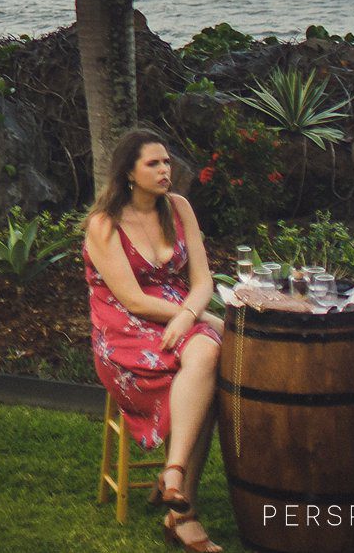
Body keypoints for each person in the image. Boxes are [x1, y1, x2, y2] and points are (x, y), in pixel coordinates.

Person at [82, 129, 223, 551]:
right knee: (208, 380)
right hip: (124, 328)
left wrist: (191, 314)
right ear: (128, 172)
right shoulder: (104, 224)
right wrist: (190, 316)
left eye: (167, 162)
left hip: (179, 315)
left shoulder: (178, 207)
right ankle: (183, 513)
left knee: (207, 352)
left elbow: (202, 281)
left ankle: (174, 474)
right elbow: (132, 300)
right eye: (153, 164)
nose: (166, 170)